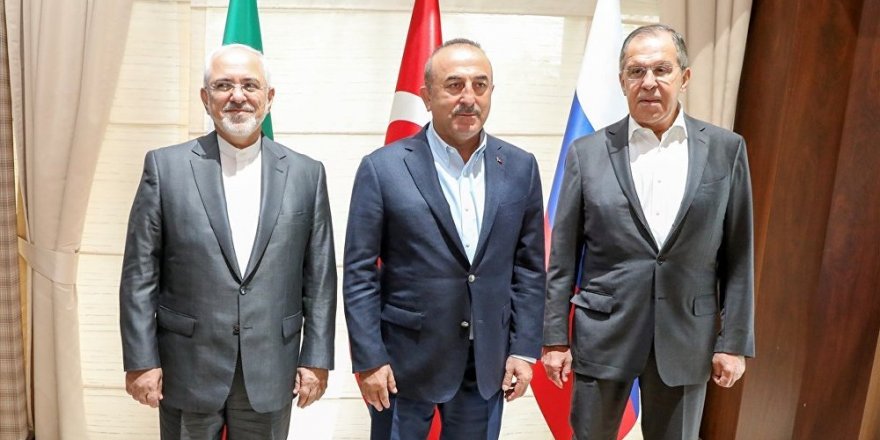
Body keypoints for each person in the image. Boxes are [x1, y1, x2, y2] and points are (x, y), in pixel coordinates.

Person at [542, 24, 755, 439]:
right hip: (604, 335)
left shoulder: (726, 150)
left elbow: (738, 255)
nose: (649, 82)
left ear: (684, 77)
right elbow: (563, 257)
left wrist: (734, 342)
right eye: (636, 71)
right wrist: (553, 339)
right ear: (622, 81)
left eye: (662, 69)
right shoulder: (587, 153)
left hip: (686, 338)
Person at [119, 44, 337, 439]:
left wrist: (316, 358)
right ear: (206, 98)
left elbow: (320, 278)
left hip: (272, 367)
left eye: (250, 85)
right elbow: (139, 274)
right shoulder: (165, 168)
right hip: (187, 366)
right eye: (223, 85)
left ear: (269, 97)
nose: (237, 96)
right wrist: (141, 360)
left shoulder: (307, 174)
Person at [343, 39, 546, 439]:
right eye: (454, 85)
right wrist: (369, 359)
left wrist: (523, 349)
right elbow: (359, 272)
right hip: (403, 364)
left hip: (486, 363)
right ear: (426, 96)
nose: (468, 98)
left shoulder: (520, 166)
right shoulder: (383, 169)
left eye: (480, 85)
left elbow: (529, 268)